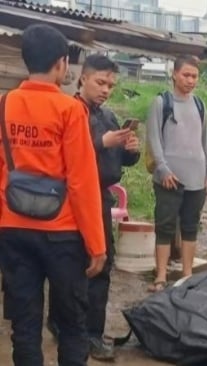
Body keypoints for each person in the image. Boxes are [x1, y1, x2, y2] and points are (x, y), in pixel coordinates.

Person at [0, 23, 106, 365]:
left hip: (13, 229)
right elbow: (82, 181)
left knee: (25, 325)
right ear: (62, 64)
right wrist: (97, 245)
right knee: (72, 324)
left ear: (25, 60)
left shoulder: (4, 105)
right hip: (62, 234)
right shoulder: (71, 110)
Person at [47, 54, 141, 361]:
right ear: (82, 78)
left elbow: (118, 161)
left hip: (100, 197)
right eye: (100, 82)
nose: (106, 89)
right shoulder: (68, 112)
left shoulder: (107, 116)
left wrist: (129, 150)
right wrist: (102, 142)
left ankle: (91, 331)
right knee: (73, 266)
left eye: (111, 84)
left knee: (101, 267)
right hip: (70, 200)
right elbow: (65, 156)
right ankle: (69, 326)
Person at [146, 55, 207, 291]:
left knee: (190, 225)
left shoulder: (199, 104)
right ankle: (161, 275)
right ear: (174, 74)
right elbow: (154, 138)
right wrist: (163, 168)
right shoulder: (161, 102)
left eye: (194, 76)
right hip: (169, 178)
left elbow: (205, 139)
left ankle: (186, 275)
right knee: (164, 226)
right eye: (186, 75)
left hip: (196, 176)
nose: (190, 80)